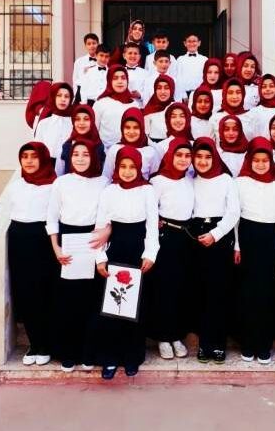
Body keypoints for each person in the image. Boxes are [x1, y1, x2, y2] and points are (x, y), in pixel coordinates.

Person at [95, 146, 159, 379]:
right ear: (117, 167)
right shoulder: (109, 191)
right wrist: (100, 257)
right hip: (116, 248)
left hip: (137, 250)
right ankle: (110, 358)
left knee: (135, 306)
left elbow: (152, 224)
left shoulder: (147, 191)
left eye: (132, 167)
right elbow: (101, 224)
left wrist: (150, 253)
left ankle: (132, 356)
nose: (128, 171)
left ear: (139, 168)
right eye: (123, 166)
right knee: (113, 306)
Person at [46, 140, 109, 372]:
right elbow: (52, 217)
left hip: (93, 241)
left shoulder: (103, 182)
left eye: (85, 154)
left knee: (92, 300)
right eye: (76, 154)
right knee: (68, 301)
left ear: (94, 157)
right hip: (68, 243)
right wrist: (56, 248)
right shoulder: (61, 183)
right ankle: (68, 353)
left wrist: (106, 232)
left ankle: (89, 353)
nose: (80, 158)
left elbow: (109, 214)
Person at [235, 137, 275, 365]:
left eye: (264, 160)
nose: (260, 164)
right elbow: (236, 217)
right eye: (256, 160)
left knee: (267, 294)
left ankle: (264, 345)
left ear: (271, 161)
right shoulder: (241, 182)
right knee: (247, 293)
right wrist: (237, 245)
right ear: (249, 160)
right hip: (248, 237)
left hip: (271, 240)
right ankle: (248, 344)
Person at [7, 142, 58, 366]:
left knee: (44, 291)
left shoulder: (54, 186)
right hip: (19, 241)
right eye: (24, 156)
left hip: (43, 241)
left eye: (33, 156)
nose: (28, 161)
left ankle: (46, 344)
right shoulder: (16, 186)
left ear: (43, 159)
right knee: (25, 292)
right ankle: (34, 343)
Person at [191, 137, 239, 364]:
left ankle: (218, 344)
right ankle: (204, 343)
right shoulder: (191, 180)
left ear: (215, 158)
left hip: (219, 236)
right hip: (196, 236)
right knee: (200, 291)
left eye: (208, 157)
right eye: (198, 157)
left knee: (219, 292)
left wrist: (215, 234)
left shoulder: (226, 180)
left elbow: (233, 212)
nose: (203, 161)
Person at [149, 138, 194, 360]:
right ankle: (163, 336)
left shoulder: (190, 180)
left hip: (185, 238)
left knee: (180, 287)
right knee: (164, 288)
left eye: (187, 156)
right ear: (170, 156)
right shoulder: (157, 181)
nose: (183, 159)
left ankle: (176, 335)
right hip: (165, 237)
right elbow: (150, 211)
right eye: (179, 155)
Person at [102, 107, 159, 180]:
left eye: (136, 127)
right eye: (127, 127)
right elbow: (106, 177)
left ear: (142, 128)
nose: (131, 132)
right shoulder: (114, 150)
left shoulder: (151, 151)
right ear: (122, 128)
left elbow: (154, 179)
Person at [93, 65, 138, 150]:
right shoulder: (100, 103)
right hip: (105, 151)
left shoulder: (134, 104)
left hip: (129, 151)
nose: (120, 81)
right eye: (115, 78)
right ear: (109, 81)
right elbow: (94, 130)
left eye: (123, 78)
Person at [34, 82, 74, 175]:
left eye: (66, 96)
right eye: (59, 95)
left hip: (68, 167)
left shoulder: (74, 123)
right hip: (48, 166)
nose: (63, 99)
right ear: (53, 97)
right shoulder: (44, 123)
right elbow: (38, 148)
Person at [60, 104, 105, 175]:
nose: (81, 123)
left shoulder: (98, 145)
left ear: (92, 121)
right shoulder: (68, 145)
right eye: (77, 119)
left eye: (86, 119)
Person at [143, 75, 176, 144]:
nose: (162, 92)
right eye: (159, 88)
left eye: (166, 88)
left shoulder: (176, 108)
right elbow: (145, 135)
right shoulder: (149, 109)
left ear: (172, 89)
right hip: (154, 146)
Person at [175, 33, 208, 99]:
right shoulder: (180, 59)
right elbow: (178, 78)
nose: (192, 44)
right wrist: (183, 94)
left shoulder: (204, 59)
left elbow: (206, 78)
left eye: (194, 41)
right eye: (189, 41)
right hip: (184, 94)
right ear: (185, 43)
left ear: (199, 43)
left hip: (200, 93)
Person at [251, 74, 275, 138]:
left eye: (271, 86)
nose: (268, 89)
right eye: (264, 87)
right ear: (260, 89)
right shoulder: (254, 112)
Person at [72, 33, 99, 103]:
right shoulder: (79, 62)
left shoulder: (103, 61)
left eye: (94, 43)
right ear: (85, 46)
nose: (92, 46)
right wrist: (76, 96)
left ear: (98, 44)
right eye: (89, 44)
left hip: (97, 95)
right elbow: (75, 80)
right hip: (81, 94)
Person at [122, 42, 146, 107]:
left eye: (135, 53)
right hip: (122, 106)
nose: (133, 56)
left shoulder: (145, 73)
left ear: (139, 56)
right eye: (130, 53)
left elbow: (149, 93)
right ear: (124, 56)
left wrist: (140, 95)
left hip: (139, 107)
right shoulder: (119, 72)